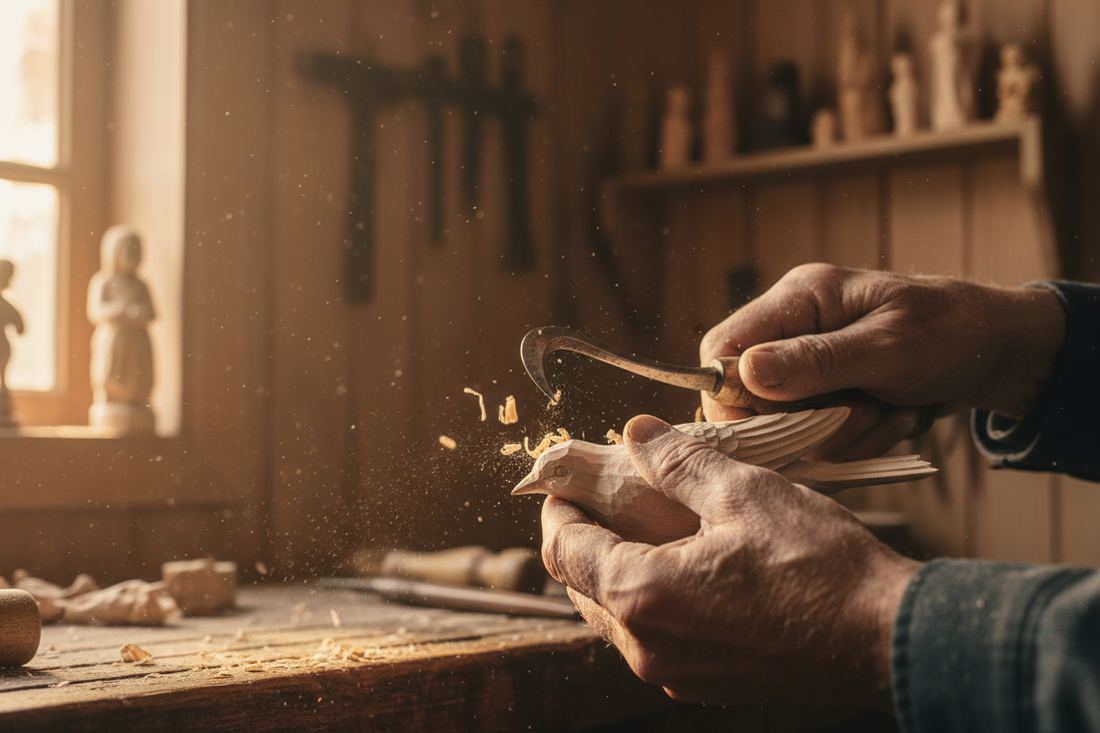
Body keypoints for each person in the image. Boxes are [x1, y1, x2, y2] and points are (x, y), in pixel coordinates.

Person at [539, 263, 1100, 730]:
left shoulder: (634, 460)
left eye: (555, 470)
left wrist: (872, 621)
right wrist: (1010, 347)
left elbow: (749, 445)